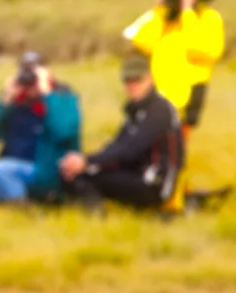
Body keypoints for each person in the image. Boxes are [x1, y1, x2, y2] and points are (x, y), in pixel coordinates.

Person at [58, 56, 184, 214]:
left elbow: (130, 149)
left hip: (155, 183)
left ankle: (97, 219)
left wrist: (87, 162)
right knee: (72, 174)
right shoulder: (136, 110)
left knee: (87, 176)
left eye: (137, 80)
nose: (132, 85)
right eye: (127, 80)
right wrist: (85, 163)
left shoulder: (160, 110)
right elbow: (117, 145)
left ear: (150, 79)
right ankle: (88, 212)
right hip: (135, 173)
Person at [0, 52, 83, 207]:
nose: (30, 81)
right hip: (11, 170)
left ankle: (19, 208)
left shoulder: (63, 98)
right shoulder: (16, 101)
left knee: (3, 168)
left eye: (34, 74)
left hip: (47, 172)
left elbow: (64, 131)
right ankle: (20, 196)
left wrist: (46, 93)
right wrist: (4, 101)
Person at [124, 0, 224, 134]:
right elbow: (142, 42)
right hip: (159, 86)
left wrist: (187, 13)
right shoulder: (164, 18)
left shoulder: (208, 17)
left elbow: (203, 49)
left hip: (189, 88)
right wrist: (159, 11)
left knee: (176, 140)